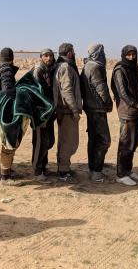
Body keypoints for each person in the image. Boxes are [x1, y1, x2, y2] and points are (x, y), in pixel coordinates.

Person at [111, 45, 138, 186]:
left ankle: (128, 170)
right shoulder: (120, 69)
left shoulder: (134, 68)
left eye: (134, 54)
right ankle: (121, 174)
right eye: (129, 54)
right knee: (125, 143)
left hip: (136, 112)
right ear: (123, 55)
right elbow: (123, 93)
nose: (132, 57)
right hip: (127, 112)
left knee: (133, 142)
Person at [80, 44, 113, 183]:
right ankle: (96, 171)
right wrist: (109, 104)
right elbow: (101, 88)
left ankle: (93, 168)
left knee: (94, 140)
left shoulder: (87, 66)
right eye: (102, 53)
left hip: (90, 108)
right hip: (97, 109)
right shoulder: (95, 67)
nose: (104, 55)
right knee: (104, 140)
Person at [0, 48, 20, 186]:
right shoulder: (7, 70)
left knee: (7, 143)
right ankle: (5, 177)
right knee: (8, 143)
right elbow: (7, 90)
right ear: (12, 58)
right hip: (6, 112)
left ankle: (7, 171)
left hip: (0, 110)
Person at [53, 43, 82, 183]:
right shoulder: (65, 67)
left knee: (65, 140)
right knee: (68, 142)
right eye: (73, 51)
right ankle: (63, 171)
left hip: (65, 110)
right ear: (70, 53)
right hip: (66, 111)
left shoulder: (63, 66)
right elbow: (67, 90)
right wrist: (74, 109)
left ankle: (64, 167)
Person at [32, 48, 56, 182]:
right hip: (41, 113)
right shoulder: (38, 70)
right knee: (40, 142)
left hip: (49, 112)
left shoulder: (49, 69)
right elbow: (37, 94)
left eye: (51, 56)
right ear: (41, 57)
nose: (49, 58)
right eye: (46, 56)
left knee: (49, 141)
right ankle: (37, 170)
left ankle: (44, 166)